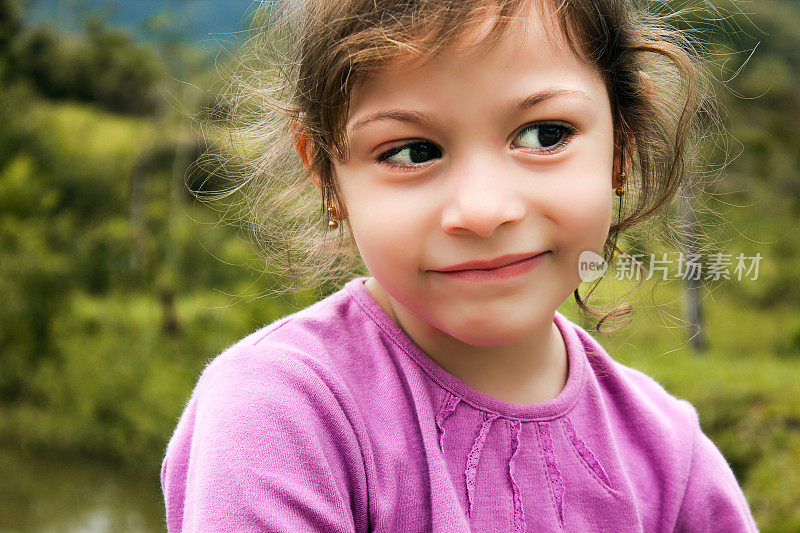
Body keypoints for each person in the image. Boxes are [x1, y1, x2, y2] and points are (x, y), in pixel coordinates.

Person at [161, 0, 758, 531]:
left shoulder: (670, 457)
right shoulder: (282, 414)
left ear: (621, 145)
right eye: (412, 152)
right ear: (328, 177)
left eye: (545, 134)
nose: (482, 212)